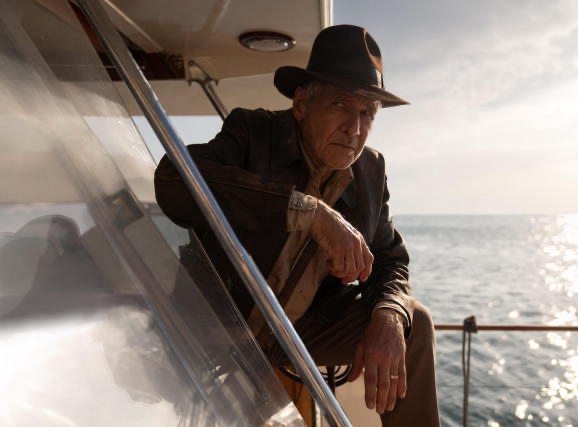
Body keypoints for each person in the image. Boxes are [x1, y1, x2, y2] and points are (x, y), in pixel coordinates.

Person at [155, 24, 440, 426]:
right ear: (302, 103)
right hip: (214, 327)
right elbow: (172, 180)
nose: (355, 128)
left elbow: (390, 260)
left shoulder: (371, 171)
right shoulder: (253, 133)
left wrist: (389, 315)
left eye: (367, 113)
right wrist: (308, 212)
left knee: (413, 322)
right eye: (341, 104)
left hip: (297, 332)